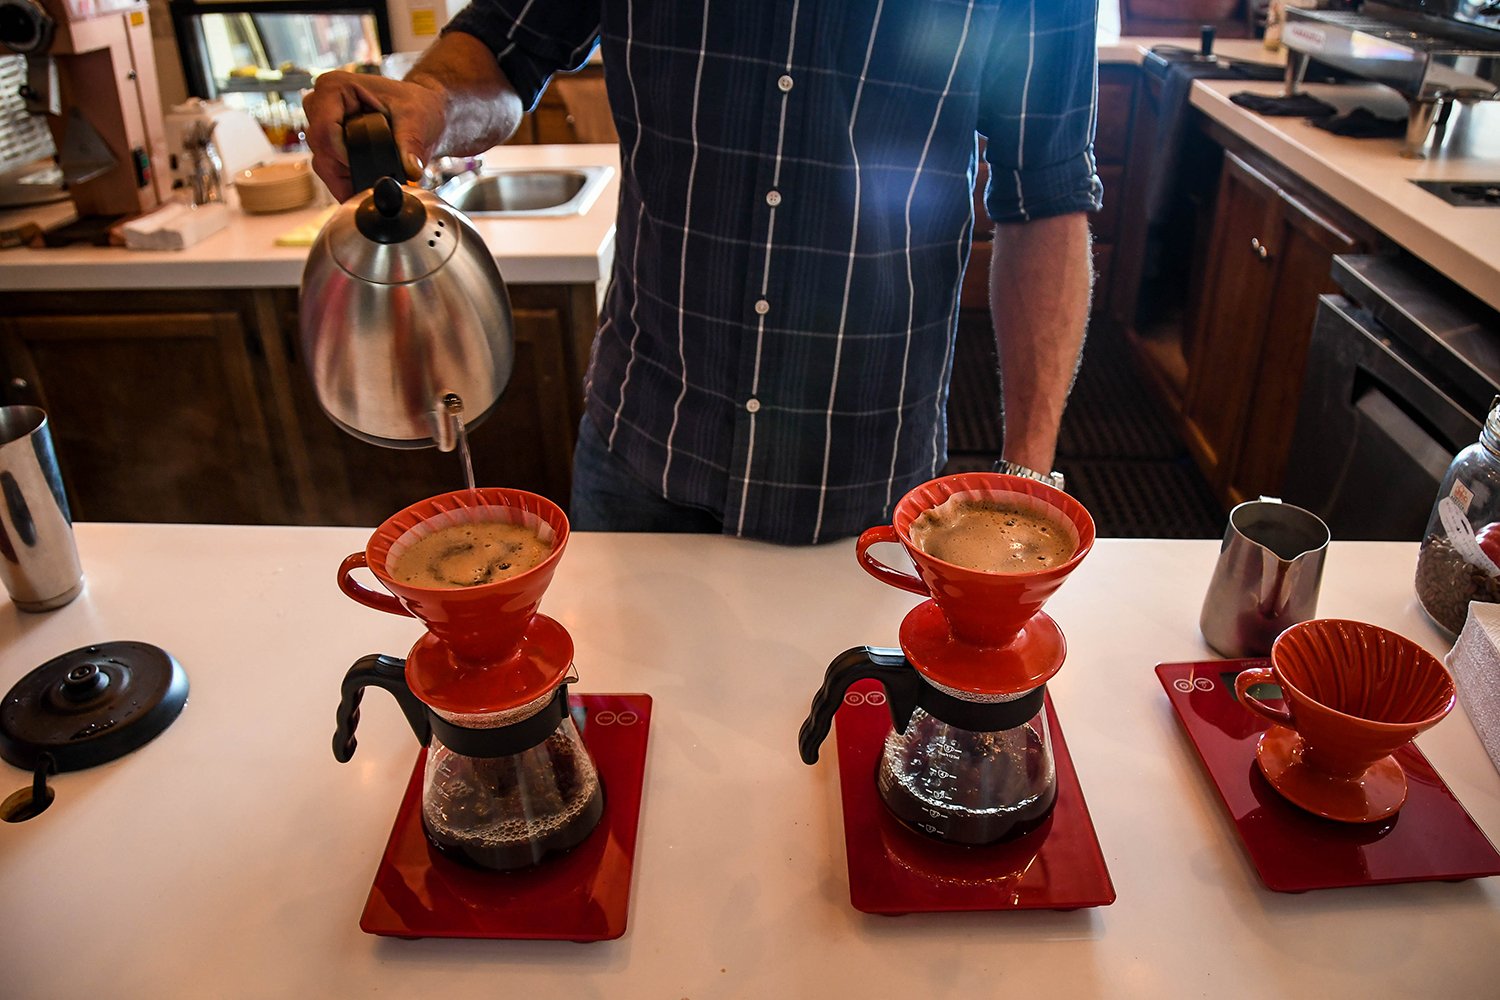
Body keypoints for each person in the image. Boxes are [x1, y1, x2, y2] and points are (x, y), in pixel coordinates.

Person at [304, 1, 1100, 546]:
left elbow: (1048, 197)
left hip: (867, 477)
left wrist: (1028, 473)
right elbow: (508, 47)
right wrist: (430, 103)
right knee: (628, 758)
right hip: (645, 451)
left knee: (837, 774)